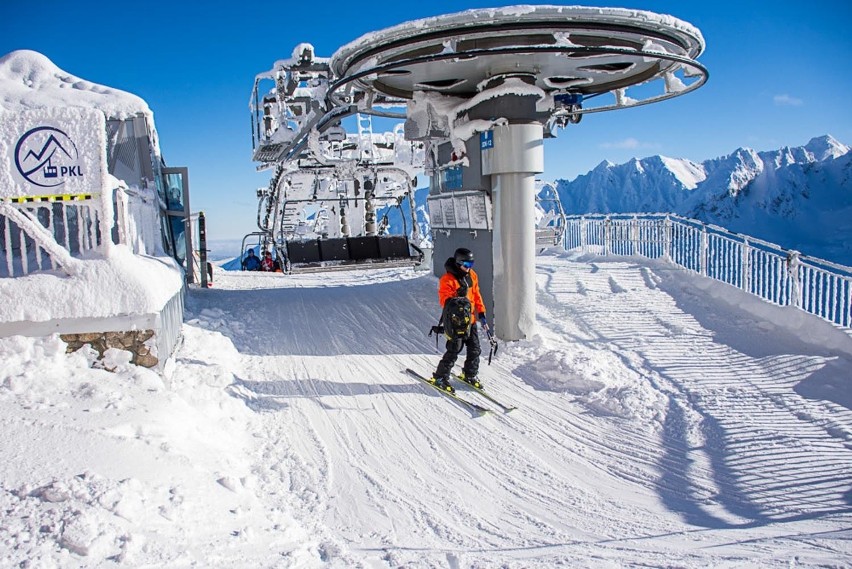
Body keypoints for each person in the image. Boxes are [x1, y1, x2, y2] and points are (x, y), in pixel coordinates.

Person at [431, 247, 487, 393]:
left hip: (471, 320)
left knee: (475, 349)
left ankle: (469, 374)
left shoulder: (472, 276)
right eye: (466, 265)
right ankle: (440, 377)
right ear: (458, 263)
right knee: (454, 349)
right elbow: (444, 300)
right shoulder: (447, 279)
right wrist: (458, 298)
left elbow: (476, 294)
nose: (469, 268)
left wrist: (481, 312)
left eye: (471, 264)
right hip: (456, 322)